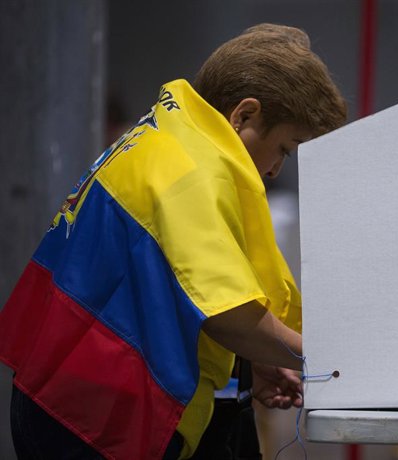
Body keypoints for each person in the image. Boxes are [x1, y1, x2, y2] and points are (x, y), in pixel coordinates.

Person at [0, 23, 346, 459]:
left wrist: (255, 358)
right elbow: (229, 315)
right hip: (89, 418)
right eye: (285, 147)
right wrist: (337, 358)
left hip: (65, 392)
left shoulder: (166, 136)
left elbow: (171, 284)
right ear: (244, 116)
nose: (276, 169)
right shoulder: (192, 171)